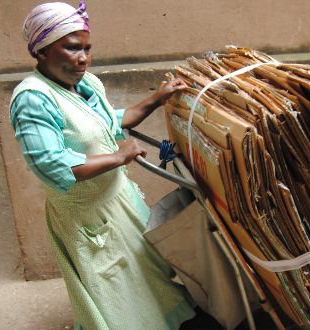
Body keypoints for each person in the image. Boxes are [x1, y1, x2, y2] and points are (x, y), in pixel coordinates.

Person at [10, 2, 202, 329]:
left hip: (118, 201)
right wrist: (119, 157)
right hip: (87, 217)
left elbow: (108, 124)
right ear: (41, 51)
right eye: (72, 48)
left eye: (87, 49)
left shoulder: (86, 85)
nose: (83, 58)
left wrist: (158, 98)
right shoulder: (32, 98)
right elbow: (52, 165)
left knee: (149, 274)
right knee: (115, 291)